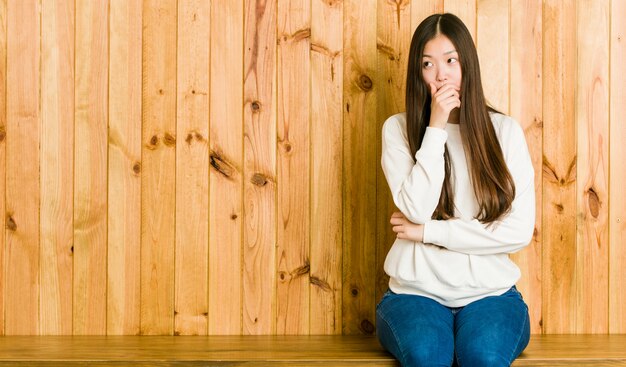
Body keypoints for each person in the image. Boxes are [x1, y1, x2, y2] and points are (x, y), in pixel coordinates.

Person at [376, 13, 535, 367]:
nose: (440, 74)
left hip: (491, 295)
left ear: (468, 65)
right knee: (426, 355)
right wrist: (435, 126)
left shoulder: (505, 132)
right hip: (414, 294)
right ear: (418, 73)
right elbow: (416, 208)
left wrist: (428, 233)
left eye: (450, 61)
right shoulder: (398, 129)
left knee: (484, 356)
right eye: (428, 64)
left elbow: (517, 231)